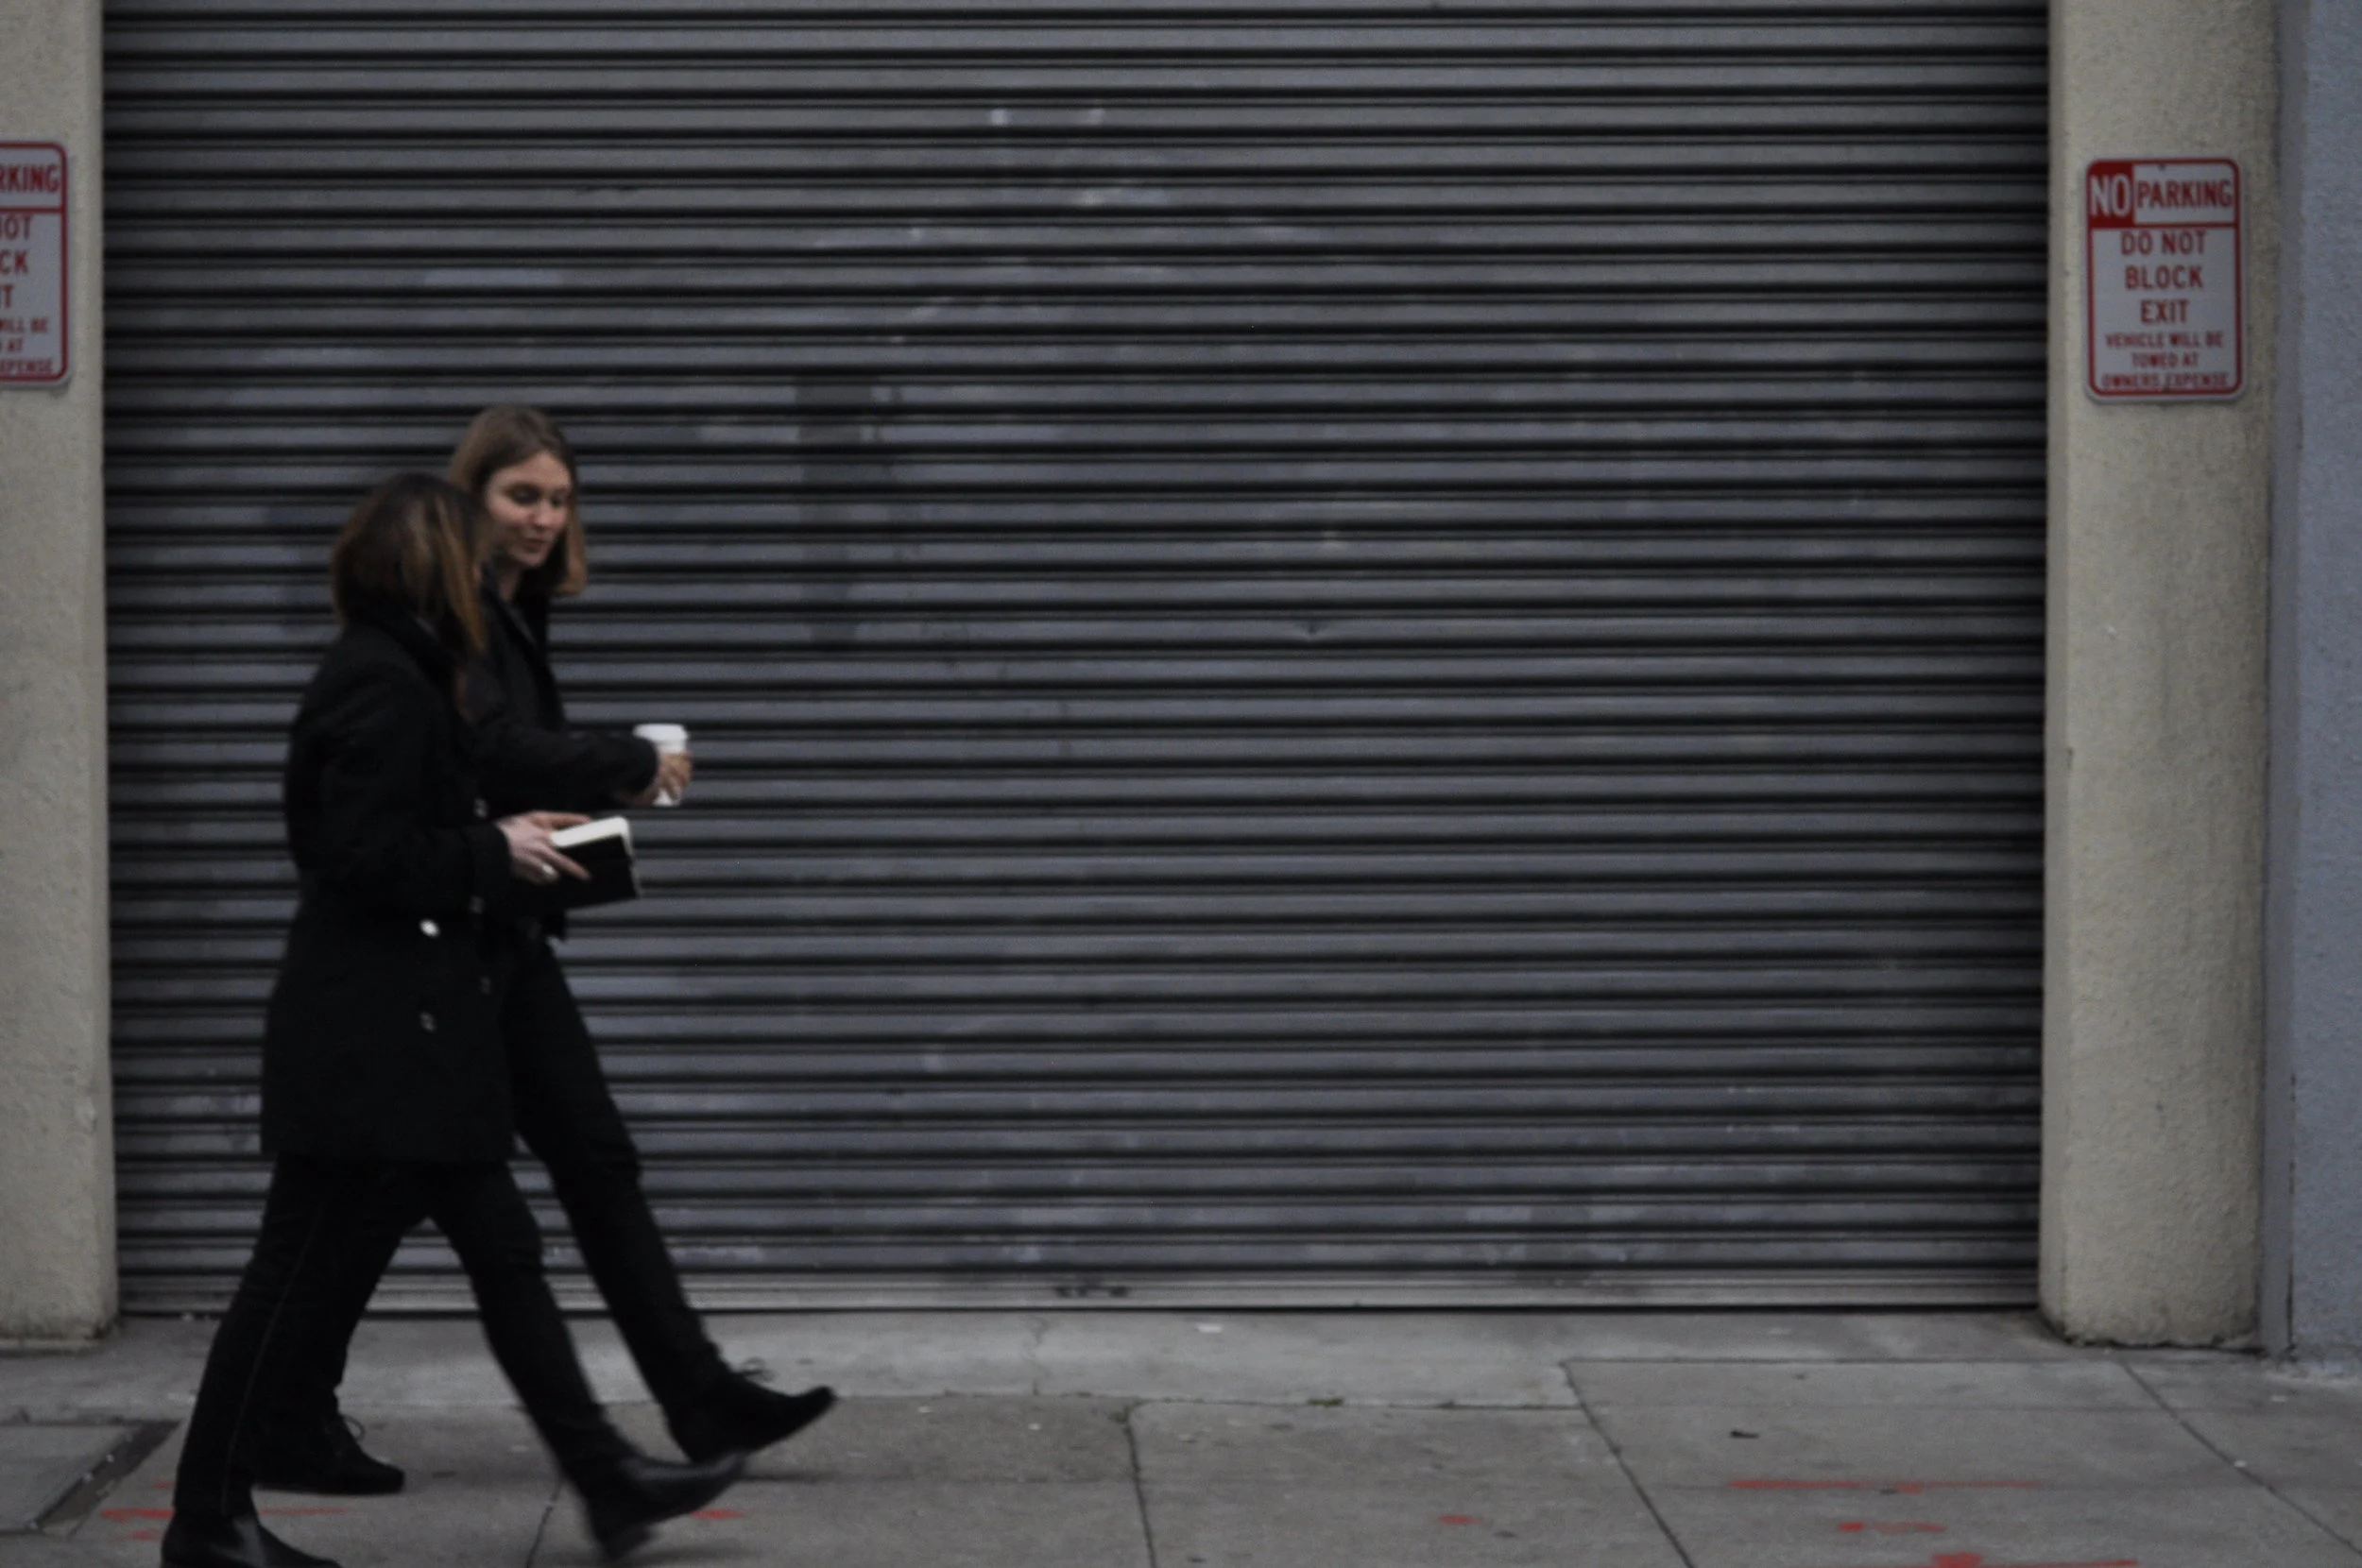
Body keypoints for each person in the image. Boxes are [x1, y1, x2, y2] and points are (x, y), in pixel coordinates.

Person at [162, 475, 744, 1568]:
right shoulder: (380, 683)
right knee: (287, 1275)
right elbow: (353, 858)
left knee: (505, 1252)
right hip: (375, 1044)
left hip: (416, 1036)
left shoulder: (403, 673)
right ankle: (207, 1519)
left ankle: (611, 1482)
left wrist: (503, 829)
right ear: (430, 570)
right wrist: (492, 851)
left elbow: (410, 824)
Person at [252, 408, 831, 1501]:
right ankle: (290, 1418)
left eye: (560, 500)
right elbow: (481, 757)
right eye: (523, 495)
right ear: (468, 501)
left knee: (576, 1168)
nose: (543, 519)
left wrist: (559, 812)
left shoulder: (504, 614)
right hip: (446, 948)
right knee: (397, 1199)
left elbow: (481, 766)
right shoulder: (441, 625)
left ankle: (686, 1395)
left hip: (492, 932)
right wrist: (621, 766)